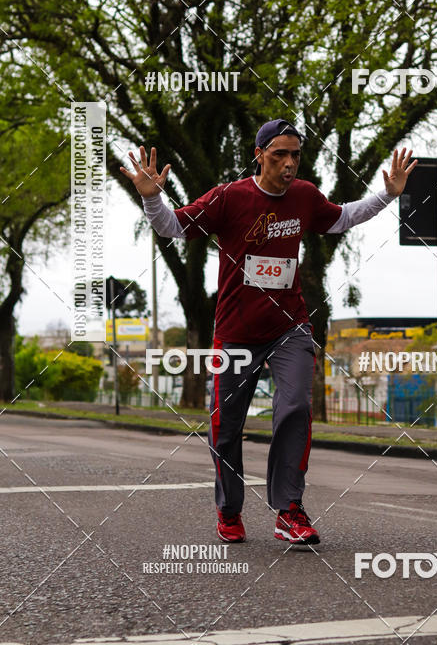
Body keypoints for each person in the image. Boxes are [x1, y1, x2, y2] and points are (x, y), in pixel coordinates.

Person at [121, 119, 417, 545]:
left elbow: (343, 218)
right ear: (259, 154)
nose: (289, 162)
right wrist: (152, 199)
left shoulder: (304, 196)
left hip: (289, 326)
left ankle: (289, 510)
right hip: (236, 331)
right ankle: (229, 509)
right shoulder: (229, 196)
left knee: (295, 406)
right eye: (279, 154)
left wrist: (388, 193)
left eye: (295, 154)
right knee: (226, 425)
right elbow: (174, 227)